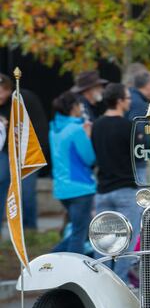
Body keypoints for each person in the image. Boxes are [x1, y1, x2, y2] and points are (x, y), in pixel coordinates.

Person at [91, 84, 142, 284]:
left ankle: (98, 283)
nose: (130, 101)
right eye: (128, 98)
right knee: (127, 240)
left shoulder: (97, 125)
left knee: (102, 241)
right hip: (125, 190)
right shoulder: (127, 127)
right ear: (120, 101)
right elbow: (138, 154)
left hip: (102, 190)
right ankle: (120, 282)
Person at [49, 91, 96, 254]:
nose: (81, 108)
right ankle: (51, 260)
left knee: (82, 230)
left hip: (62, 189)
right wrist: (88, 136)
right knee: (80, 234)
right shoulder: (77, 129)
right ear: (73, 107)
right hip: (80, 187)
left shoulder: (54, 129)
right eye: (79, 105)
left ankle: (52, 259)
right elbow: (89, 158)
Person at [0, 73, 48, 230]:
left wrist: (39, 151)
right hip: (5, 153)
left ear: (8, 89)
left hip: (26, 153)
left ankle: (29, 231)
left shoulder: (24, 99)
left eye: (2, 91)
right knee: (3, 189)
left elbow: (40, 126)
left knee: (26, 194)